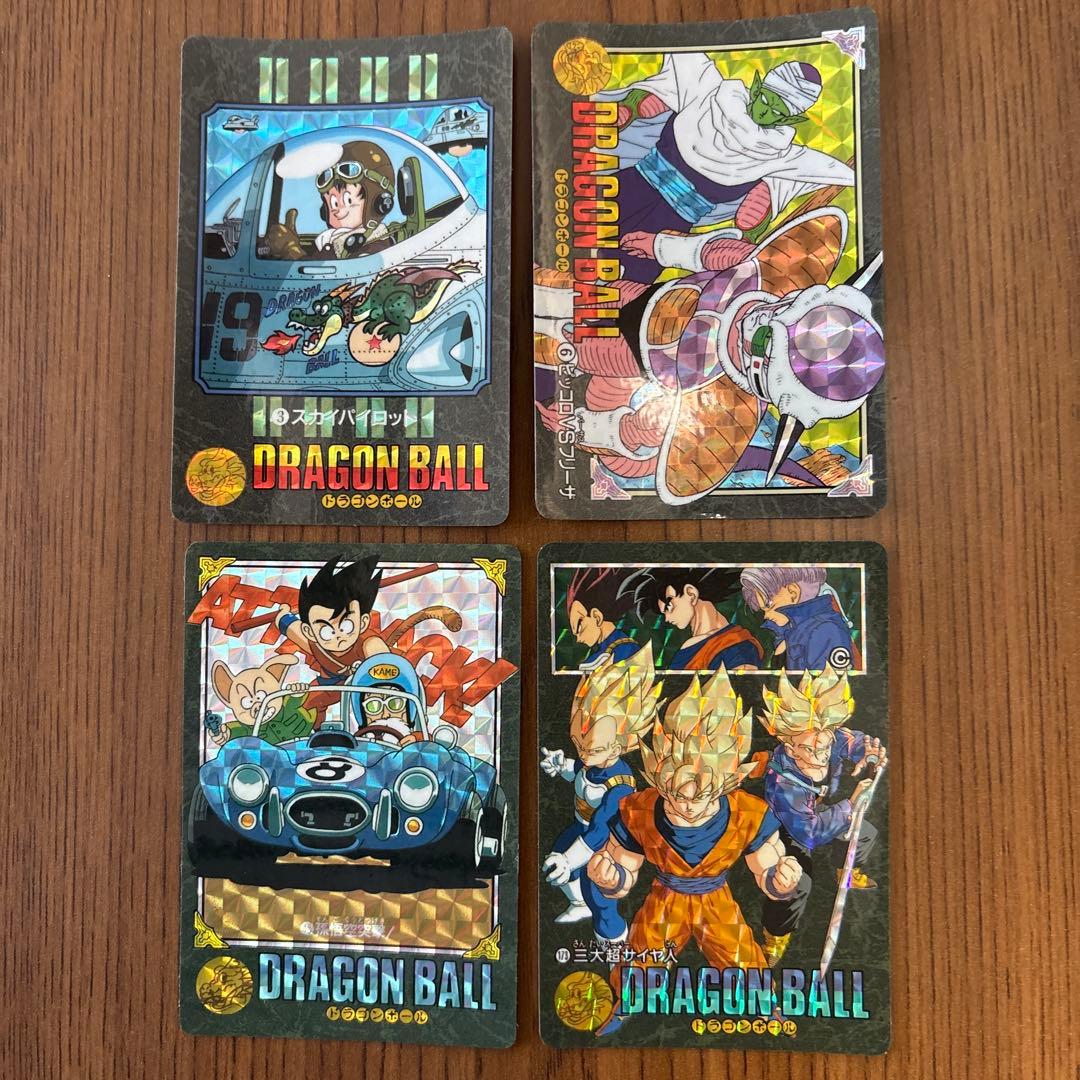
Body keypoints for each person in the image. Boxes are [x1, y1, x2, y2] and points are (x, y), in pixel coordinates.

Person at [586, 666, 803, 1035]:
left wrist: (779, 880)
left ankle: (765, 1006)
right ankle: (625, 1005)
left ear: (727, 779)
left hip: (716, 901)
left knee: (742, 960)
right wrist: (610, 878)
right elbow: (624, 870)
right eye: (678, 795)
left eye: (701, 797)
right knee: (641, 962)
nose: (688, 805)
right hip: (665, 899)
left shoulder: (747, 813)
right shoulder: (639, 810)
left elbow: (765, 868)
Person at [600, 55, 854, 282]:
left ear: (790, 119)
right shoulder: (708, 90)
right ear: (757, 88)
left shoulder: (782, 156)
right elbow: (681, 54)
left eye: (777, 111)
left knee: (628, 280)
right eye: (765, 100)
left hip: (671, 223)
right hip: (631, 186)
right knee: (587, 231)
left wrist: (858, 173)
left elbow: (835, 170)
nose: (765, 112)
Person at [757, 666, 886, 964]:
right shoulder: (783, 783)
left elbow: (854, 741)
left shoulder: (824, 738)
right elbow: (810, 834)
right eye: (810, 750)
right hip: (785, 829)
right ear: (790, 749)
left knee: (864, 833)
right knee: (795, 884)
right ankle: (775, 935)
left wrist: (868, 755)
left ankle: (847, 872)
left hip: (818, 812)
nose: (822, 756)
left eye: (825, 746)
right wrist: (851, 804)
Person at [540, 645, 659, 943]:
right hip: (581, 827)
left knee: (599, 895)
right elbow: (581, 773)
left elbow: (600, 829)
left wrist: (570, 860)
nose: (583, 753)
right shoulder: (592, 759)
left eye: (591, 749)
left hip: (610, 843)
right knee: (560, 860)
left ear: (616, 747)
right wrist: (562, 765)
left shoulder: (620, 785)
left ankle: (614, 943)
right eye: (578, 744)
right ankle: (579, 904)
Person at [619, 565, 762, 670]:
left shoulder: (738, 646)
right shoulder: (689, 645)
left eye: (669, 607)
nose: (667, 619)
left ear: (691, 593)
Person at [740, 564, 859, 671]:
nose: (766, 615)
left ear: (793, 593)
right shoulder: (789, 633)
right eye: (763, 610)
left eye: (769, 606)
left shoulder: (826, 630)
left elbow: (827, 685)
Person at [564, 567, 639, 670]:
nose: (578, 639)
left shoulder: (626, 649)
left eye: (579, 628)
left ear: (596, 617)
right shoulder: (600, 654)